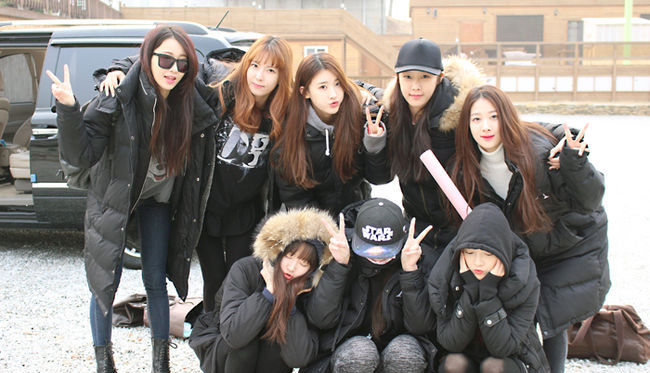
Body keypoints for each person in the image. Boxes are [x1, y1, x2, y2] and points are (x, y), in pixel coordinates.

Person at [48, 25, 219, 373]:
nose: (173, 69)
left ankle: (160, 370)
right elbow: (81, 155)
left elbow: (220, 68)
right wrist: (69, 107)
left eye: (182, 62)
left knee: (156, 280)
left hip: (157, 199)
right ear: (148, 57)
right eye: (165, 60)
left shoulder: (189, 97)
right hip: (115, 197)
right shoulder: (119, 93)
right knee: (105, 282)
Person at [101, 36, 294, 313]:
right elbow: (164, 61)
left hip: (246, 212)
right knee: (213, 280)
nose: (259, 76)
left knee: (240, 280)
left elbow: (322, 84)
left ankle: (232, 334)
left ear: (281, 76)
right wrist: (118, 69)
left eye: (271, 70)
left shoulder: (285, 112)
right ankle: (210, 335)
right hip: (205, 208)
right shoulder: (220, 89)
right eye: (254, 65)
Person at [450, 84, 610, 373]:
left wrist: (575, 164)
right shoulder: (468, 164)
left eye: (493, 117)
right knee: (522, 316)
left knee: (552, 318)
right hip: (528, 247)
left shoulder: (539, 152)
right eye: (476, 119)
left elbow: (591, 199)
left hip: (569, 244)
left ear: (506, 117)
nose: (485, 126)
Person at [188, 208, 335, 373]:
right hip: (226, 357)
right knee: (248, 332)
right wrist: (268, 293)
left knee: (277, 331)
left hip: (269, 367)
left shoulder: (306, 287)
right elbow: (233, 334)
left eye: (303, 263)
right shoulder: (246, 269)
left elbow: (299, 357)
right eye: (290, 257)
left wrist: (290, 305)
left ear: (312, 269)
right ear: (279, 252)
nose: (293, 267)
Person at [297, 198, 437, 373]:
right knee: (360, 351)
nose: (378, 257)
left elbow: (421, 326)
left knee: (406, 350)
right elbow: (320, 318)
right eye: (370, 249)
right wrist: (339, 266)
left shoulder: (418, 257)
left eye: (386, 250)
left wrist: (410, 272)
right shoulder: (341, 252)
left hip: (396, 362)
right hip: (351, 360)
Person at [428, 203, 559, 373]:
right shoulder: (450, 278)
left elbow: (503, 347)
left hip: (510, 371)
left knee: (494, 368)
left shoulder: (523, 283)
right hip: (471, 369)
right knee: (451, 365)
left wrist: (487, 294)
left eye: (488, 255)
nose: (478, 262)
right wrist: (471, 291)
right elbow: (450, 342)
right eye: (470, 253)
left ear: (502, 254)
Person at [364, 38, 485, 261]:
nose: (415, 86)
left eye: (425, 77)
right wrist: (375, 141)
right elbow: (381, 178)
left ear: (440, 78)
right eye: (407, 77)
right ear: (397, 77)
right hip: (416, 227)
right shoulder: (393, 115)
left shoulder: (463, 112)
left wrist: (554, 137)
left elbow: (510, 125)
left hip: (461, 226)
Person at [272, 52, 392, 216]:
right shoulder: (290, 131)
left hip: (355, 214)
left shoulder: (359, 116)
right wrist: (324, 229)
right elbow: (296, 198)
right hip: (312, 221)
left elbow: (380, 179)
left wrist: (374, 144)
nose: (333, 94)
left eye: (337, 84)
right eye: (323, 87)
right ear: (305, 92)